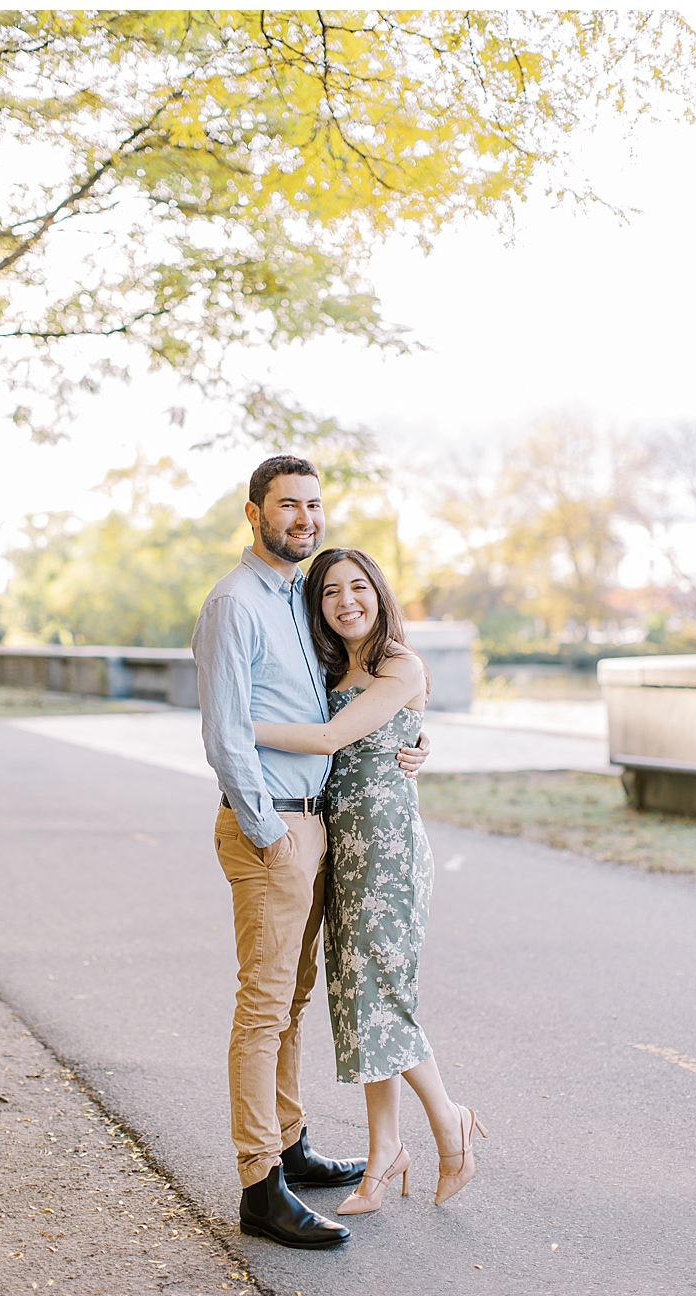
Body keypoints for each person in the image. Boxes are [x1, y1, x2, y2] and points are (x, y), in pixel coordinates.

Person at [193, 455, 426, 1249]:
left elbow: (353, 696)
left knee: (289, 1005)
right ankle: (261, 1183)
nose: (304, 518)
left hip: (314, 822)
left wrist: (410, 736)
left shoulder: (299, 597)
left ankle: (288, 1146)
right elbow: (226, 735)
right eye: (287, 505)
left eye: (314, 504)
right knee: (263, 1010)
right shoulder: (234, 605)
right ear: (253, 512)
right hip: (275, 829)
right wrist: (270, 836)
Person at [251, 546, 486, 1216]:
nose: (346, 600)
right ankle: (384, 1153)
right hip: (339, 846)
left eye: (358, 587)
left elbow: (330, 739)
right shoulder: (331, 666)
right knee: (357, 998)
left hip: (386, 851)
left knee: (379, 991)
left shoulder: (400, 663)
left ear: (380, 594)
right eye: (329, 592)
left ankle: (448, 1119)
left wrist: (239, 725)